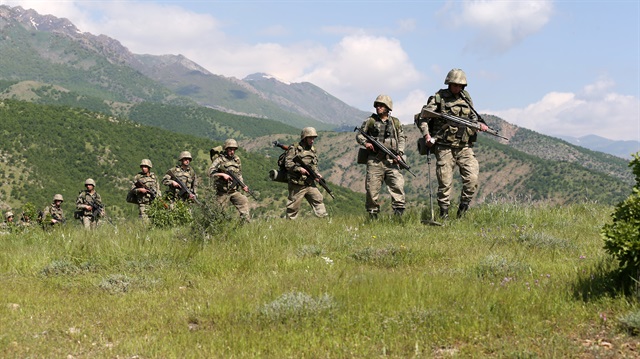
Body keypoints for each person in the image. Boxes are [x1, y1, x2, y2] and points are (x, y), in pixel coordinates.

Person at [417, 68, 489, 219]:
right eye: (454, 84)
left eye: (459, 85)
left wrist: (479, 126)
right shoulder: (438, 98)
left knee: (472, 179)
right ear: (448, 83)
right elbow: (423, 117)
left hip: (464, 147)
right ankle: (444, 215)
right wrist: (427, 135)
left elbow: (472, 118)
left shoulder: (466, 99)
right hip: (444, 146)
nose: (457, 88)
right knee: (445, 183)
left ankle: (462, 212)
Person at [355, 94, 406, 219]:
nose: (378, 107)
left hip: (392, 160)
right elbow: (359, 135)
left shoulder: (395, 122)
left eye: (381, 105)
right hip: (375, 161)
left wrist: (399, 153)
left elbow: (402, 138)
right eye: (377, 105)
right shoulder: (370, 121)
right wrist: (365, 143)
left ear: (388, 107)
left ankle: (398, 217)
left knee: (398, 186)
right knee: (372, 190)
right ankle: (373, 217)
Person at [284, 127, 328, 219]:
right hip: (297, 184)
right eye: (310, 138)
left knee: (318, 199)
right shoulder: (294, 148)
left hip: (309, 182)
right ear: (304, 138)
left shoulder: (312, 150)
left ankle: (324, 221)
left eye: (313, 138)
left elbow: (314, 165)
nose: (312, 140)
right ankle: (289, 226)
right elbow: (288, 164)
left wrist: (316, 174)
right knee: (293, 207)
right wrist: (299, 169)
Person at [208, 139, 251, 222]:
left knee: (244, 201)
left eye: (234, 149)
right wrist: (222, 174)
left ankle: (245, 226)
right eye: (230, 149)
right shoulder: (219, 160)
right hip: (222, 192)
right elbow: (209, 172)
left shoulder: (237, 160)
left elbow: (239, 174)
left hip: (233, 191)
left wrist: (243, 185)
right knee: (220, 214)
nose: (232, 151)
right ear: (226, 149)